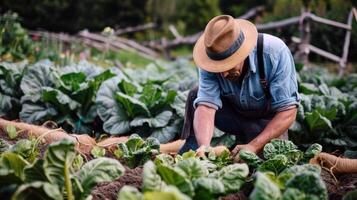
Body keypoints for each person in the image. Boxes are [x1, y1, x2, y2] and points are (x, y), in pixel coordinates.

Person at [178, 15, 300, 158]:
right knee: (195, 94)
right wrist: (204, 147)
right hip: (233, 114)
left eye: (228, 65)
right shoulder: (210, 58)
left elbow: (288, 111)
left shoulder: (274, 53)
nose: (223, 73)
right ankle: (192, 149)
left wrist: (254, 145)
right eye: (218, 67)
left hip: (266, 122)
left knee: (268, 159)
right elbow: (206, 106)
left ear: (244, 52)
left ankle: (251, 140)